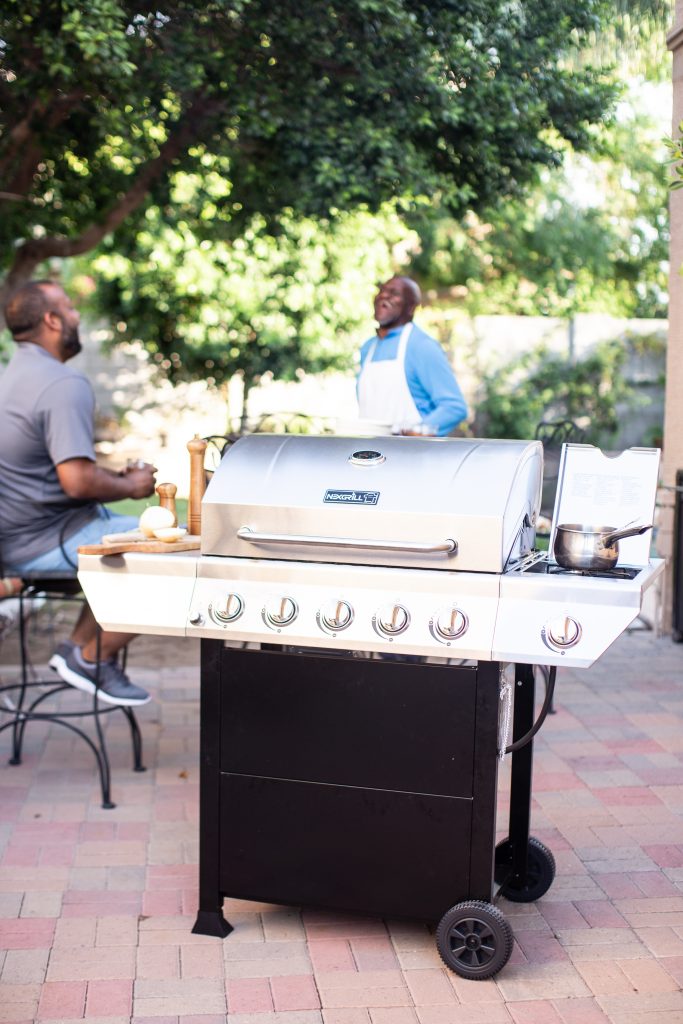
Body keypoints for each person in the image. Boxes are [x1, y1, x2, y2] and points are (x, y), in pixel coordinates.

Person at [0, 279, 156, 707]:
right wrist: (131, 485)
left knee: (158, 541)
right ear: (51, 320)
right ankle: (88, 655)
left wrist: (111, 474)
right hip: (45, 542)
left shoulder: (14, 374)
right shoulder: (61, 383)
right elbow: (77, 482)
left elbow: (57, 468)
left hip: (23, 537)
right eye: (69, 309)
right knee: (179, 555)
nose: (76, 317)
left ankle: (84, 652)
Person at [357, 276, 468, 436]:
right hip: (370, 454)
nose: (383, 295)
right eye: (381, 291)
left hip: (411, 455)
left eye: (394, 293)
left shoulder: (422, 347)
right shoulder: (368, 349)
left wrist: (418, 432)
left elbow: (454, 407)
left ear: (411, 307)